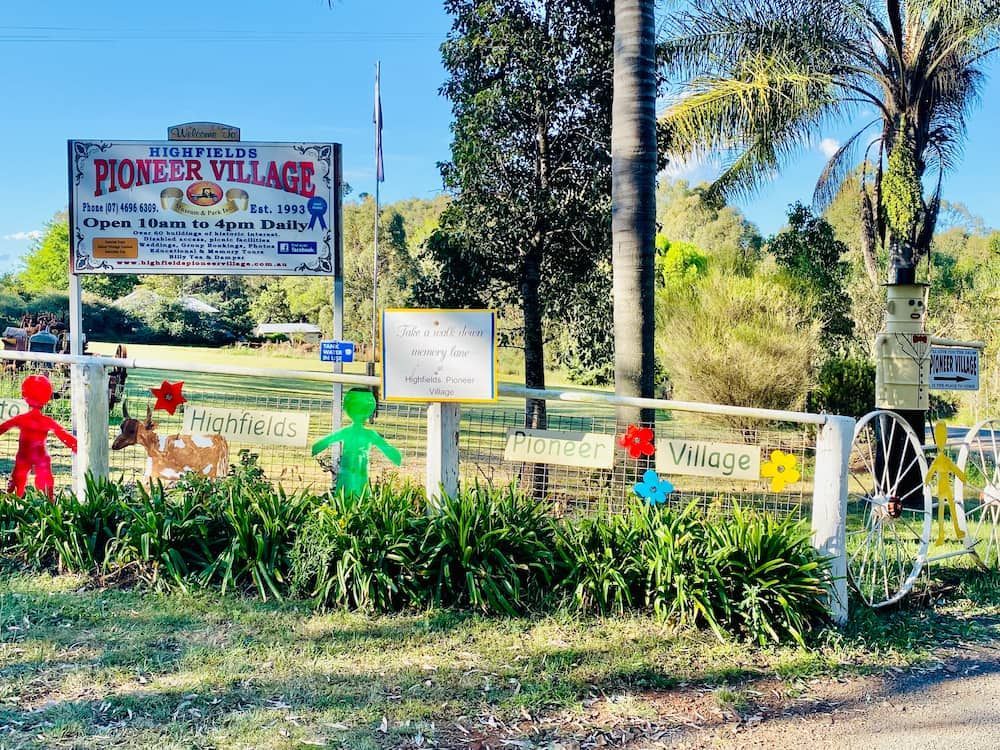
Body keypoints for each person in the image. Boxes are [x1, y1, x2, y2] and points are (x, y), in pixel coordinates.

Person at [0, 375, 77, 498]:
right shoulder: (46, 421)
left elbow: (3, 428)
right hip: (39, 456)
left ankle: (13, 502)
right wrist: (78, 446)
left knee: (17, 484)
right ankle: (49, 504)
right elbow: (63, 435)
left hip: (24, 455)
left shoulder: (22, 419)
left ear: (25, 396)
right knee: (46, 486)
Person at [311, 388, 401, 495]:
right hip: (357, 466)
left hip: (352, 466)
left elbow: (326, 441)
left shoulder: (348, 432)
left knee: (349, 488)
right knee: (358, 488)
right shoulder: (369, 434)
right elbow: (387, 448)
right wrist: (397, 458)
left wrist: (314, 449)